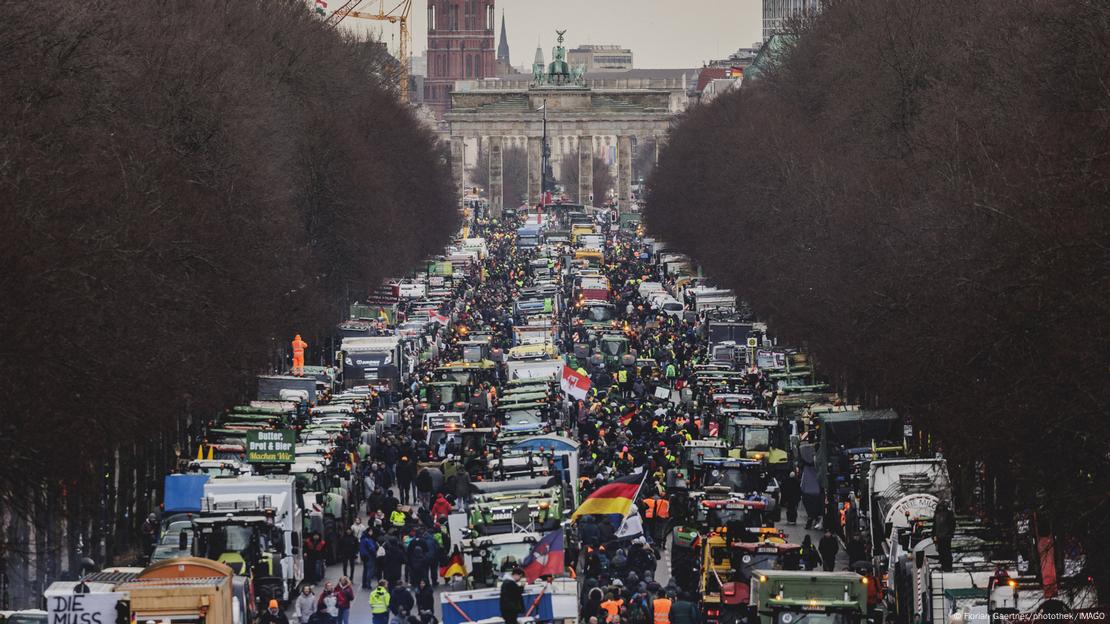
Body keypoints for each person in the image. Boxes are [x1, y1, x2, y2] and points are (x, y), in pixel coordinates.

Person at [932, 501, 956, 572]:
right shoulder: (937, 514)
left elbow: (952, 525)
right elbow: (935, 526)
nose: (940, 508)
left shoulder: (949, 514)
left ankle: (948, 566)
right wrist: (933, 535)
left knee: (946, 551)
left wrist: (950, 534)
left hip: (946, 536)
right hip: (939, 535)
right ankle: (943, 565)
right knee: (941, 551)